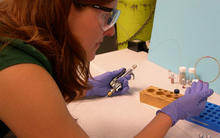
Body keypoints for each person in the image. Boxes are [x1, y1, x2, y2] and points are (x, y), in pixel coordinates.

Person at [0, 0, 213, 138]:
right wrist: (171, 114)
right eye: (107, 16)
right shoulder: (14, 66)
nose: (111, 32)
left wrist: (84, 88)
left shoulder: (16, 39)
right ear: (65, 7)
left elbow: (28, 103)